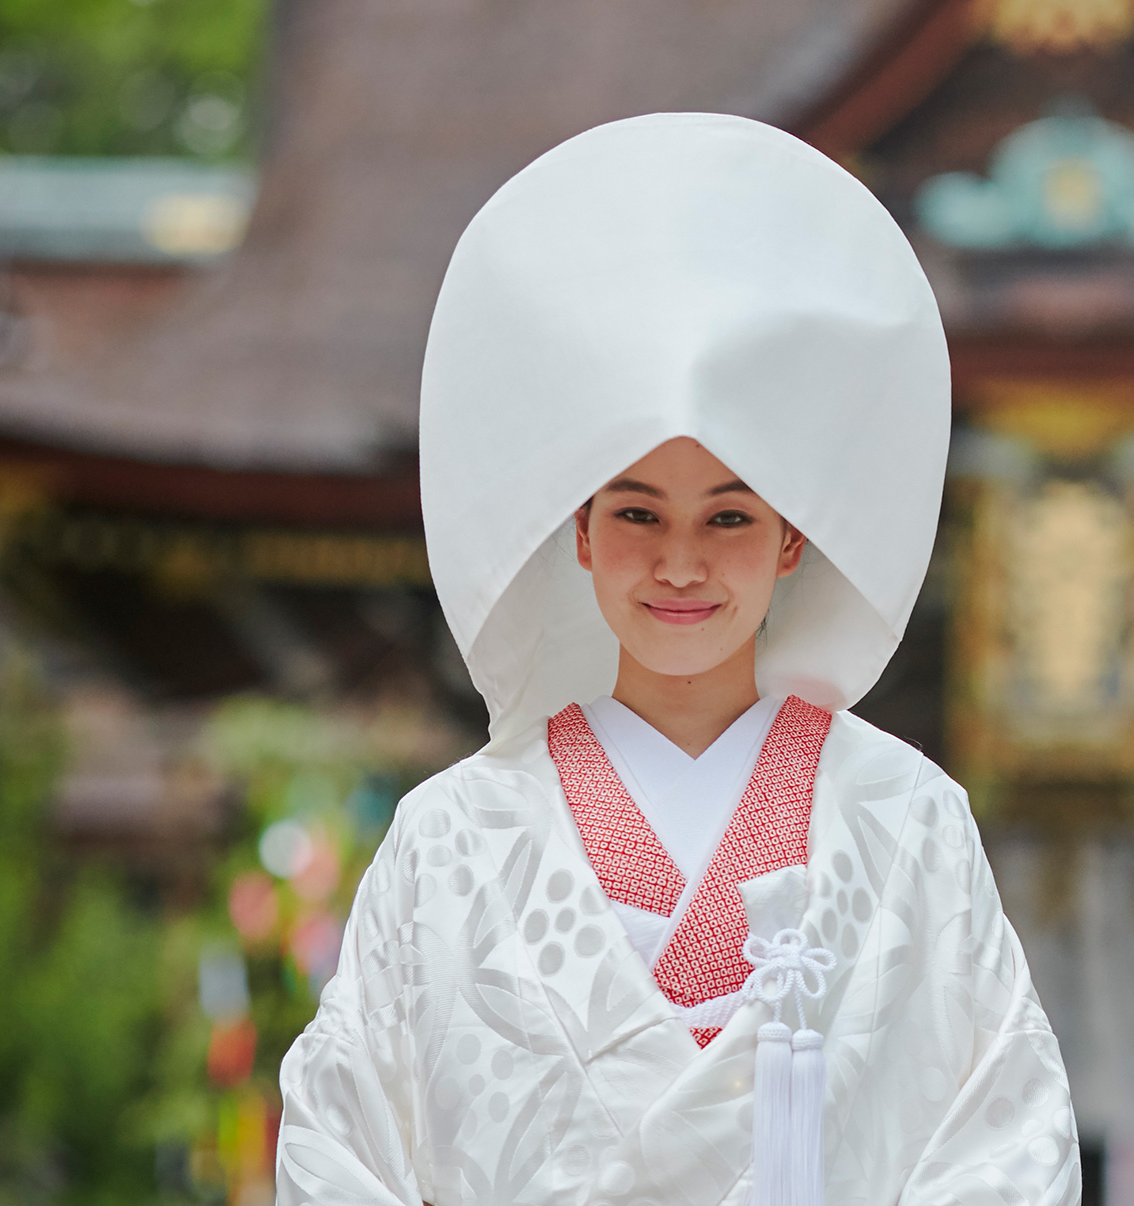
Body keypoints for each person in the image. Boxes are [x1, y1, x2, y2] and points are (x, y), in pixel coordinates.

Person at [275, 114, 1080, 1206]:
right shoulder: (454, 838)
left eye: (731, 519)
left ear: (793, 536)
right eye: (639, 513)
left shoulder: (903, 822)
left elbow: (1002, 1145)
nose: (682, 564)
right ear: (580, 533)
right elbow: (343, 1153)